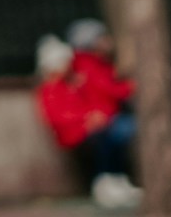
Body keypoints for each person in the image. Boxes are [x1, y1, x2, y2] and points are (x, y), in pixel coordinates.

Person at [35, 24, 139, 209]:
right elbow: (58, 117)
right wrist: (87, 119)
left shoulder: (72, 83)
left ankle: (115, 179)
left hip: (93, 126)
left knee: (110, 133)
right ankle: (106, 181)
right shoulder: (50, 89)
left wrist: (94, 116)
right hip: (76, 133)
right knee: (109, 135)